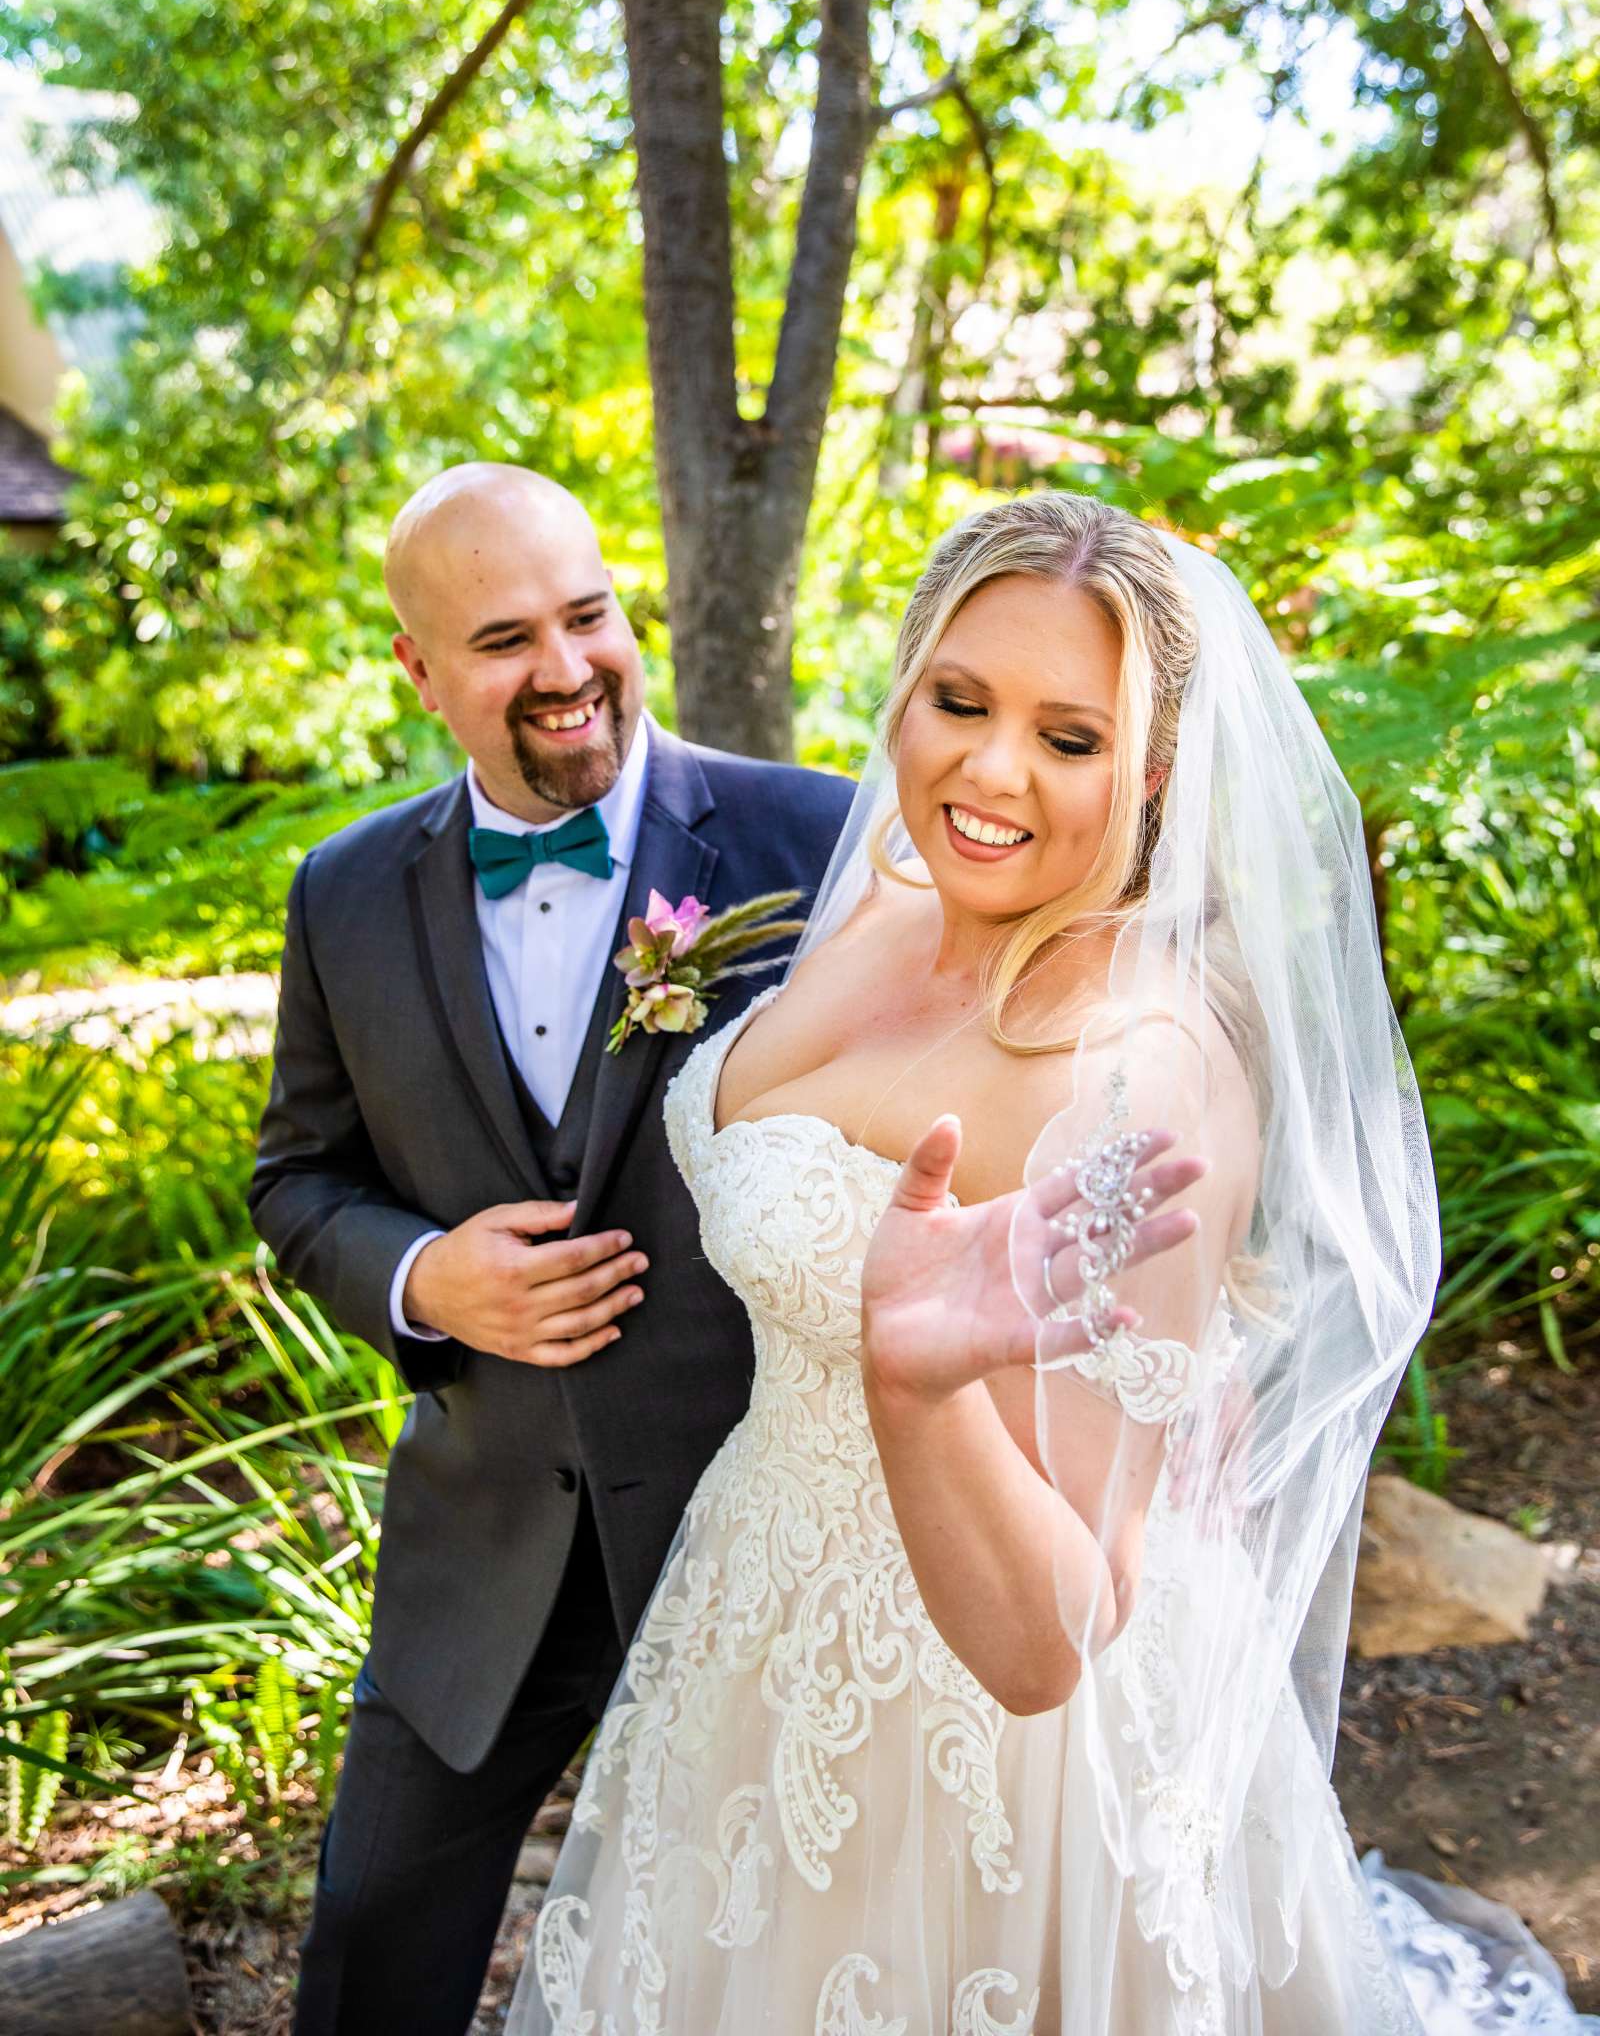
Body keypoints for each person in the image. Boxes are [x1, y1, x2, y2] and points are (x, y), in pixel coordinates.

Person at [510, 491, 1595, 2035]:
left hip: (996, 1759)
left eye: (1070, 738)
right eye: (959, 702)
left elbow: (1053, 1639)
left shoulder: (1142, 1075)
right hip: (762, 1627)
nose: (992, 771)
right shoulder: (885, 899)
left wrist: (922, 1381)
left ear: (1156, 772)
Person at [248, 462, 852, 2036]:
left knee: (768, 1954)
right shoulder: (342, 897)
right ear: (420, 671)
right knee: (373, 1934)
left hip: (752, 1530)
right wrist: (423, 1278)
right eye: (507, 640)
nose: (570, 668)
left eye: (589, 615)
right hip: (483, 1533)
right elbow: (299, 1181)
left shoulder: (822, 841)